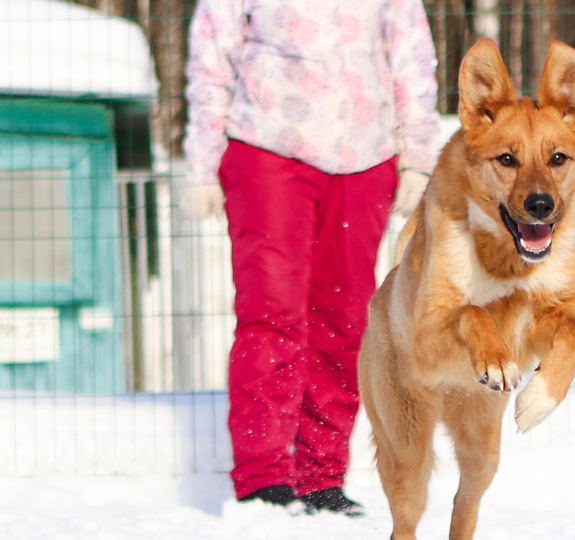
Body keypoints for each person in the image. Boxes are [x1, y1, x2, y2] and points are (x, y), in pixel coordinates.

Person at [180, 0, 441, 516]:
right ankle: (263, 478)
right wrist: (203, 164)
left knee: (344, 320)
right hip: (267, 149)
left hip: (364, 157)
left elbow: (412, 55)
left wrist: (418, 156)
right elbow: (212, 53)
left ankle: (321, 476)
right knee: (271, 312)